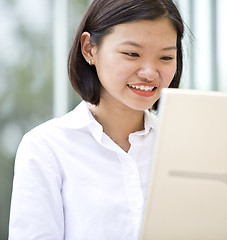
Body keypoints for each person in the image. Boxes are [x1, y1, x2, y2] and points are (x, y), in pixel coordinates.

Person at [8, 0, 184, 239]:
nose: (150, 72)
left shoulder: (183, 147)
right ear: (89, 49)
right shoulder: (46, 148)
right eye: (132, 54)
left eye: (165, 58)